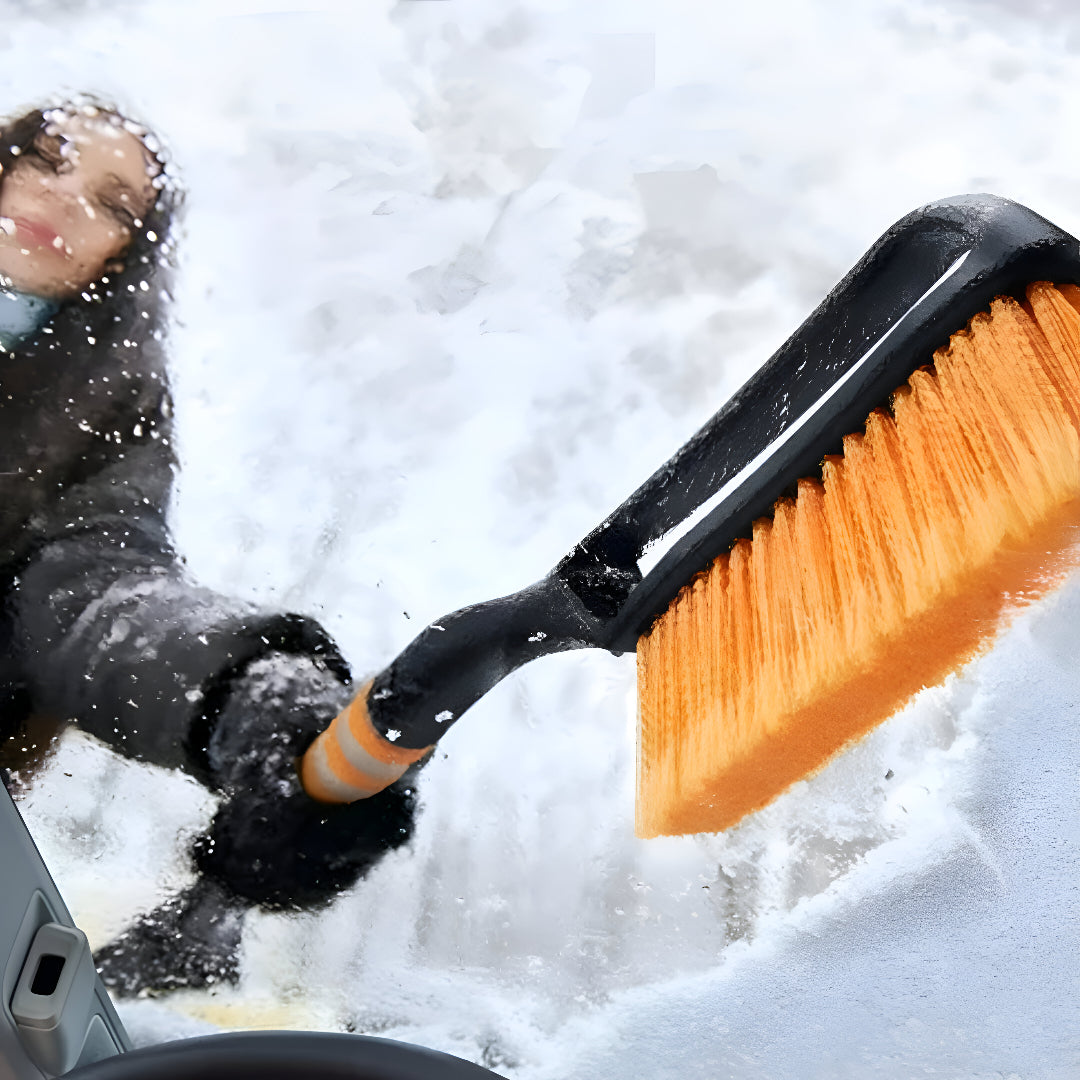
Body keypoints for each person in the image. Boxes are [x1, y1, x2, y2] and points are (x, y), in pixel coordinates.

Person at [0, 99, 418, 993]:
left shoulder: (108, 415)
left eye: (115, 204)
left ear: (126, 257)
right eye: (45, 158)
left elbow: (94, 592)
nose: (66, 199)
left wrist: (243, 691)